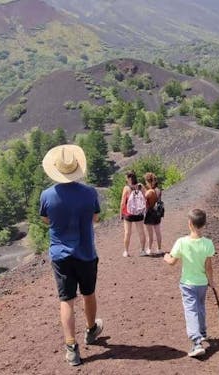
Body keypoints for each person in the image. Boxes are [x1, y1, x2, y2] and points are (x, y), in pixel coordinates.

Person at [40, 144, 104, 366]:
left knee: (66, 300)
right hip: (86, 252)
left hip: (60, 255)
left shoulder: (47, 195)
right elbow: (95, 218)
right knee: (88, 293)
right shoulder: (89, 193)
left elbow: (45, 220)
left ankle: (71, 349)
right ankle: (91, 330)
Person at [163, 209, 216, 358]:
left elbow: (172, 262)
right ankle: (202, 332)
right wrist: (211, 282)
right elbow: (208, 267)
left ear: (190, 224)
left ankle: (196, 342)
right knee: (200, 307)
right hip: (202, 283)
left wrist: (166, 257)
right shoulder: (208, 244)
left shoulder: (181, 242)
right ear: (204, 224)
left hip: (187, 283)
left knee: (191, 310)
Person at [119, 170, 147, 257]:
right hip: (139, 212)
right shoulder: (140, 186)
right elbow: (146, 196)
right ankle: (142, 250)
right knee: (141, 232)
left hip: (128, 213)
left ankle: (126, 251)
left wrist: (121, 214)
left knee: (127, 232)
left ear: (128, 178)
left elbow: (123, 203)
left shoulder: (126, 188)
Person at [143, 172, 163, 255]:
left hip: (149, 213)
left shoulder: (149, 192)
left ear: (148, 181)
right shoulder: (158, 190)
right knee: (158, 232)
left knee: (150, 234)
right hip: (157, 212)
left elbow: (143, 200)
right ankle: (159, 249)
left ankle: (149, 249)